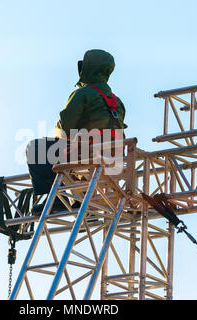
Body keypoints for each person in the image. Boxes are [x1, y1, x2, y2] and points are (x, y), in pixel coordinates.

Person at [26, 49, 127, 214]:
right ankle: (84, 202)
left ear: (88, 69)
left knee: (35, 148)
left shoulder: (83, 93)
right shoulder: (118, 102)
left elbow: (65, 127)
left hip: (87, 155)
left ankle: (59, 198)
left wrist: (62, 140)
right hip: (112, 158)